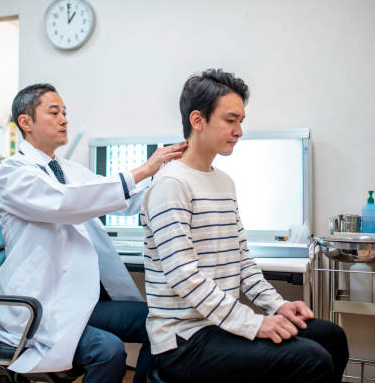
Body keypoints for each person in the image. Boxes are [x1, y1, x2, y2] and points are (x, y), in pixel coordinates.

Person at [141, 69, 349, 383]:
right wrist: (253, 324)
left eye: (241, 121)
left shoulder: (224, 183)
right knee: (311, 360)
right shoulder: (171, 184)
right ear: (198, 120)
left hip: (220, 324)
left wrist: (277, 306)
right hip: (184, 340)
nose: (239, 130)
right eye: (230, 120)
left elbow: (242, 260)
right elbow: (185, 277)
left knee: (331, 338)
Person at [0, 83, 187, 383]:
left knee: (162, 321)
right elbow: (66, 202)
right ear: (25, 122)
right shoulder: (13, 171)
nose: (64, 119)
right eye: (54, 112)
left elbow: (124, 200)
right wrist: (145, 168)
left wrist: (172, 176)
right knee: (110, 350)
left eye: (65, 112)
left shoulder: (68, 170)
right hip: (39, 307)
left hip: (78, 300)